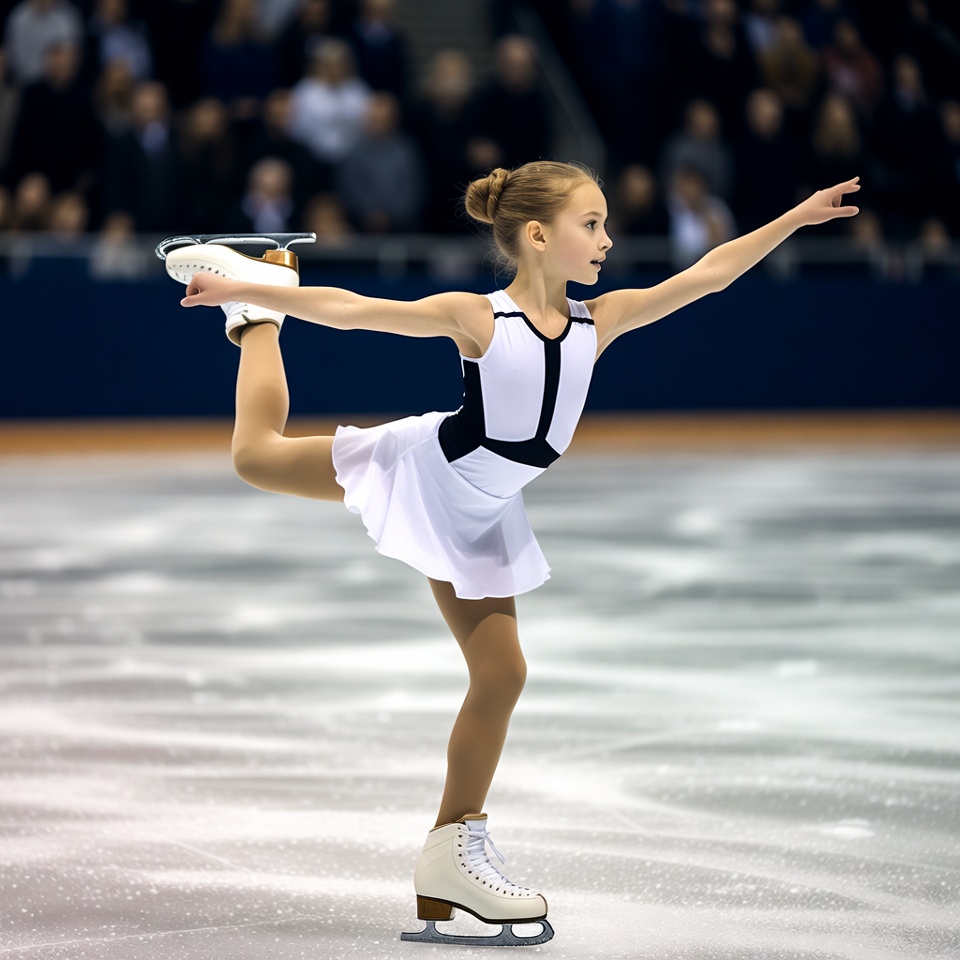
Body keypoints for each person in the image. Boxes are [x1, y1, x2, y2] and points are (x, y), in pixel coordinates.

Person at [163, 160, 860, 945]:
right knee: (255, 456)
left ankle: (450, 854)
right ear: (537, 236)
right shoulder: (481, 318)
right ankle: (257, 310)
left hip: (487, 510)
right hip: (427, 475)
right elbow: (358, 310)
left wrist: (795, 217)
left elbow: (710, 273)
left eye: (602, 224)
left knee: (503, 671)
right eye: (589, 224)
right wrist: (254, 294)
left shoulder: (606, 320)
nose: (605, 238)